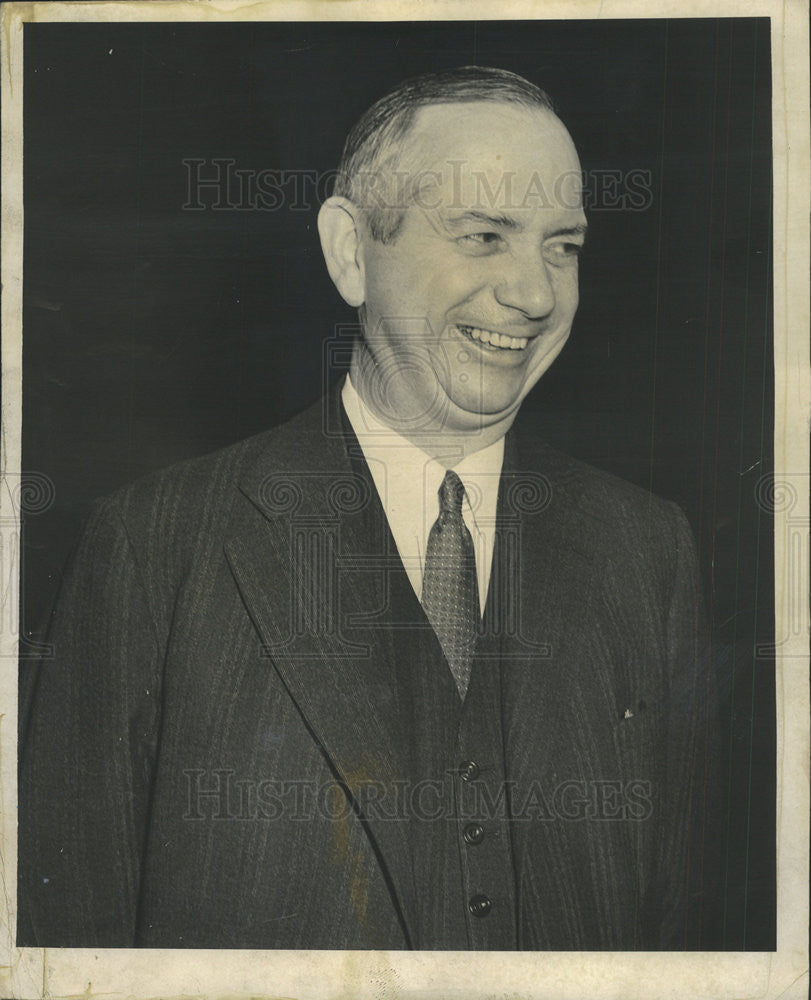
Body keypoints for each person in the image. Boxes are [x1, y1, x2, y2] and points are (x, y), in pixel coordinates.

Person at [18, 66, 722, 951]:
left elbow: (686, 942)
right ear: (352, 251)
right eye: (483, 235)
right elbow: (63, 942)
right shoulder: (154, 545)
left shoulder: (646, 548)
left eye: (563, 245)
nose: (536, 295)